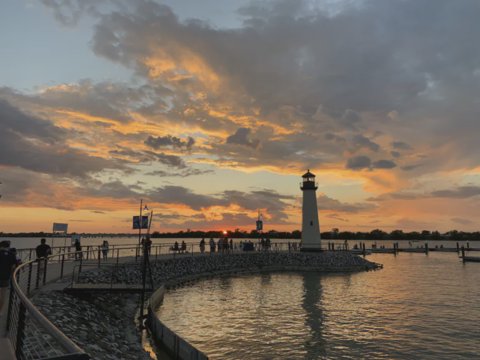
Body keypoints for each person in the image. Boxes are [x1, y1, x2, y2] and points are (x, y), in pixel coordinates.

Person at [0, 241, 17, 315]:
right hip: (5, 277)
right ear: (8, 247)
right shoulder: (11, 254)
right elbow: (13, 267)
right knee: (3, 295)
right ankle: (0, 312)